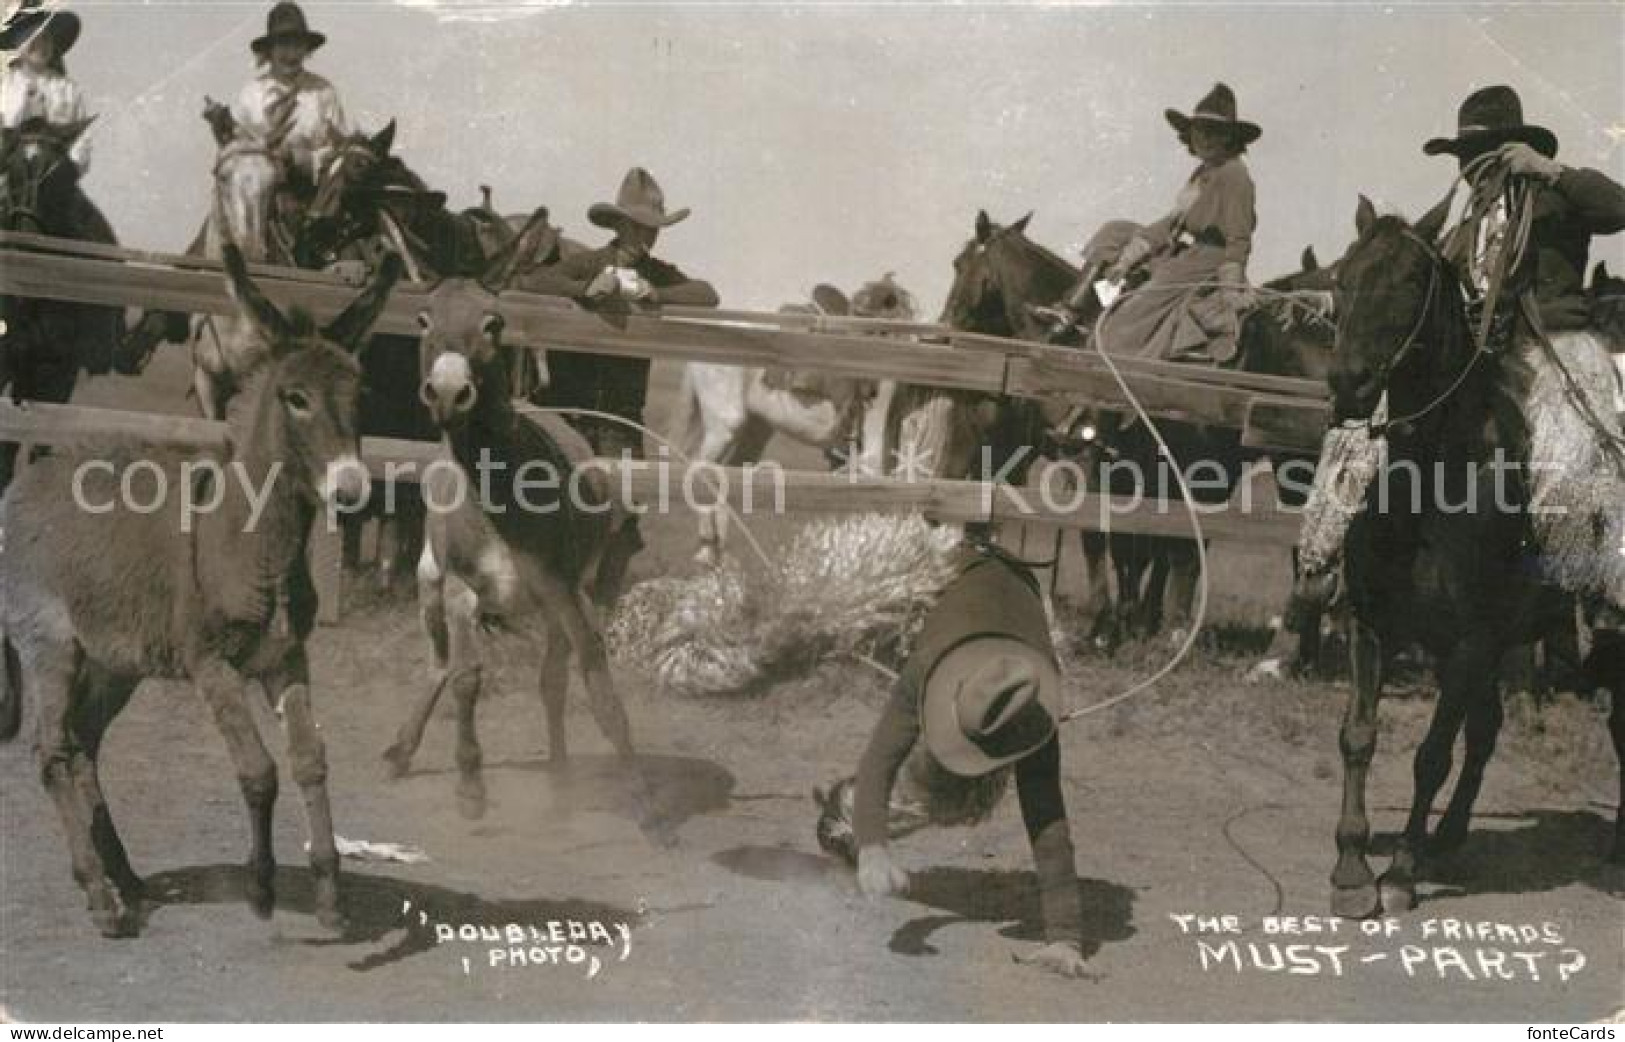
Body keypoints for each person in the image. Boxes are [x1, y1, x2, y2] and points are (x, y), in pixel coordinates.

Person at [815, 543, 1091, 979]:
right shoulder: (926, 668)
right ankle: (843, 821)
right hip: (954, 576)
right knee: (926, 787)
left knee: (963, 796)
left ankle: (855, 825)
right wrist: (873, 850)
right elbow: (879, 761)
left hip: (1018, 593)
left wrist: (1065, 936)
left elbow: (1046, 811)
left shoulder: (1027, 700)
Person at [512, 167, 717, 605]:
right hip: (570, 411)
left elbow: (706, 294)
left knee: (623, 515)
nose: (646, 238)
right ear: (620, 226)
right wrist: (586, 289)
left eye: (653, 230)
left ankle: (602, 606)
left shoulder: (658, 274)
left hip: (622, 417)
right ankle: (554, 598)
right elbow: (532, 282)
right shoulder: (586, 262)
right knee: (556, 505)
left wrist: (656, 295)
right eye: (639, 228)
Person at [1055, 83, 1260, 363]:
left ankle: (1119, 353)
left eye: (1215, 132)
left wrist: (1230, 289)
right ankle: (1072, 309)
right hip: (1188, 251)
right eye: (1200, 131)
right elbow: (1172, 222)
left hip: (1209, 260)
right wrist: (1128, 258)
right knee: (1116, 231)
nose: (1206, 139)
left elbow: (1238, 238)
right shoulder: (1204, 172)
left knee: (1135, 311)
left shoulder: (1234, 175)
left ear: (1229, 139)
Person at [208, 2, 352, 227]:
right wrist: (220, 127)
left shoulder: (323, 92)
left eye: (298, 45)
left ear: (307, 50)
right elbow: (236, 151)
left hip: (312, 199)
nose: (291, 54)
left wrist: (302, 159)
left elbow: (340, 150)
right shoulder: (251, 94)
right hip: (259, 198)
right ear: (269, 51)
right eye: (283, 45)